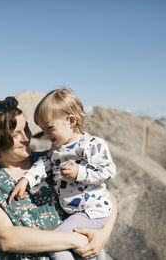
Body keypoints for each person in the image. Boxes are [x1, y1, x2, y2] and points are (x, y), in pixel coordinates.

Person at [0, 95, 118, 260]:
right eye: (16, 134)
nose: (26, 138)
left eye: (26, 129)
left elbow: (106, 195)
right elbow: (6, 238)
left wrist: (104, 233)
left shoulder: (52, 159)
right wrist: (77, 240)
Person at [9, 88, 116, 260]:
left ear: (71, 121)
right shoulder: (56, 149)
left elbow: (108, 171)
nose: (45, 134)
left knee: (57, 246)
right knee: (84, 248)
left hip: (92, 211)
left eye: (49, 128)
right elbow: (43, 164)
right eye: (42, 129)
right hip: (75, 212)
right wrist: (26, 179)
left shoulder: (92, 144)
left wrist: (79, 172)